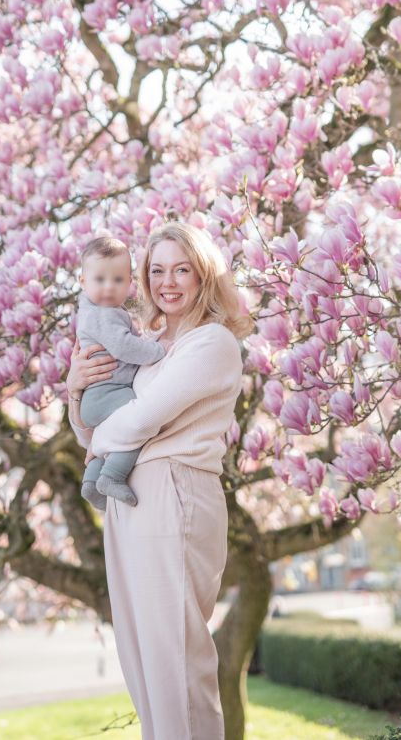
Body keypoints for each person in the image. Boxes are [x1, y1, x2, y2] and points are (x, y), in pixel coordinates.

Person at [66, 221, 253, 740]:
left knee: (175, 656)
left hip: (175, 489)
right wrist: (75, 388)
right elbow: (90, 432)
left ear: (203, 275)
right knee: (142, 656)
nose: (167, 282)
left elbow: (145, 417)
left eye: (181, 269)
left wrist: (100, 442)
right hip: (130, 497)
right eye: (156, 270)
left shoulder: (210, 342)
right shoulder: (144, 342)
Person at [75, 235, 167, 510]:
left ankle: (92, 480)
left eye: (117, 280)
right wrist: (157, 351)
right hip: (107, 393)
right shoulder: (102, 314)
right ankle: (112, 476)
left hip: (99, 397)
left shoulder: (99, 311)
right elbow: (123, 346)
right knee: (138, 422)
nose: (108, 287)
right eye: (99, 279)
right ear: (83, 282)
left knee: (119, 434)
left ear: (129, 283)